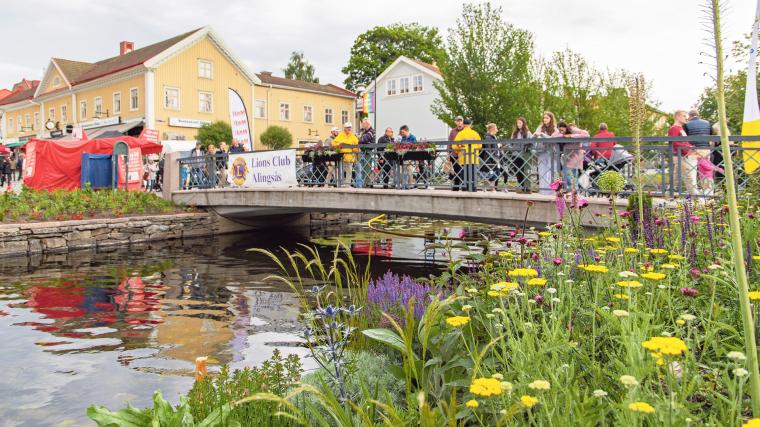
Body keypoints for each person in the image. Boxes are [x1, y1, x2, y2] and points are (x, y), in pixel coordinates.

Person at [669, 110, 697, 195]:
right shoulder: (674, 128)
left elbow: (684, 141)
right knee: (688, 175)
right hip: (679, 155)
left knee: (676, 177)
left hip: (682, 155)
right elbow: (675, 143)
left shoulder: (680, 128)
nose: (686, 118)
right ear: (678, 117)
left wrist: (690, 147)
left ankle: (669, 193)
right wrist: (688, 148)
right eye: (684, 116)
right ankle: (695, 196)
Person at [534, 112, 562, 195]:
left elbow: (555, 139)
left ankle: (552, 190)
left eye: (547, 118)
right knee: (542, 170)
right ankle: (543, 190)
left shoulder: (554, 128)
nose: (545, 119)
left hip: (551, 152)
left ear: (551, 119)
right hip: (541, 151)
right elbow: (535, 137)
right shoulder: (540, 127)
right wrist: (536, 135)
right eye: (544, 118)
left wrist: (543, 135)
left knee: (551, 170)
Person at [452, 118, 482, 192]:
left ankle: (465, 188)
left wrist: (459, 147)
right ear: (470, 125)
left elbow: (454, 146)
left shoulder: (460, 134)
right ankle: (473, 188)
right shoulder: (475, 133)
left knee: (464, 174)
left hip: (463, 157)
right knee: (473, 174)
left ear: (463, 125)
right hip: (473, 157)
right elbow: (480, 146)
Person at [558, 122, 589, 191]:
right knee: (571, 176)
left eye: (562, 130)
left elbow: (586, 134)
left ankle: (572, 192)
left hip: (574, 156)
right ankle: (574, 193)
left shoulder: (572, 129)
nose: (561, 132)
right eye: (559, 130)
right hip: (569, 157)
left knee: (568, 174)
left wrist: (571, 135)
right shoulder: (563, 132)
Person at [507, 117, 533, 192]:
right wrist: (512, 149)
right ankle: (521, 186)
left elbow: (532, 142)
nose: (518, 125)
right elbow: (510, 143)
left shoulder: (528, 133)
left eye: (520, 123)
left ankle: (527, 187)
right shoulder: (514, 133)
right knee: (518, 171)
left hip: (525, 155)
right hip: (516, 155)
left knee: (525, 171)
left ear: (523, 124)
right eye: (517, 123)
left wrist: (527, 146)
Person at [334, 122, 359, 187]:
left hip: (350, 157)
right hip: (341, 156)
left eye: (350, 127)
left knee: (349, 171)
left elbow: (356, 147)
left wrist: (354, 149)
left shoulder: (353, 136)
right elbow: (334, 143)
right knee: (340, 170)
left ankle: (347, 184)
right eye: (348, 127)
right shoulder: (340, 135)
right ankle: (339, 184)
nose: (349, 129)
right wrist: (340, 145)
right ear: (344, 128)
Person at [481, 123, 500, 191]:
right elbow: (488, 150)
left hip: (495, 158)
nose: (497, 130)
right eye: (496, 128)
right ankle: (489, 189)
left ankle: (491, 189)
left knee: (494, 174)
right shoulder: (488, 137)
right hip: (490, 160)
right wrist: (493, 159)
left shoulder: (493, 137)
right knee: (490, 175)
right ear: (492, 129)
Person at [357, 118, 375, 188]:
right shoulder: (364, 131)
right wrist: (360, 139)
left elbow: (363, 139)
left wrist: (360, 138)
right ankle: (363, 182)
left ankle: (367, 183)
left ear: (367, 124)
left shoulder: (371, 131)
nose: (362, 125)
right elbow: (361, 139)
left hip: (368, 152)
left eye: (363, 123)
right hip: (363, 151)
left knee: (367, 167)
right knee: (362, 168)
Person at [398, 125, 418, 189]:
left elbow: (415, 148)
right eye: (401, 132)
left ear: (407, 131)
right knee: (401, 171)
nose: (402, 134)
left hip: (410, 157)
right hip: (403, 157)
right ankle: (403, 185)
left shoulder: (413, 138)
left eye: (403, 132)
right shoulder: (403, 138)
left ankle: (410, 185)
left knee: (409, 171)